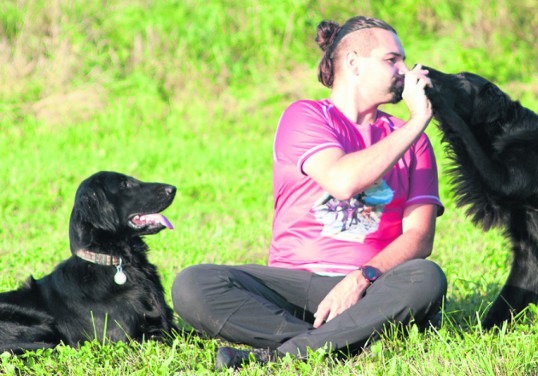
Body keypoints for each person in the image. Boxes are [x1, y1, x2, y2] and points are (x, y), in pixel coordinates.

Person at [171, 15, 447, 370]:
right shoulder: (305, 116)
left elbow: (420, 238)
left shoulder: (414, 142)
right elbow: (342, 180)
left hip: (369, 285)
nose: (404, 70)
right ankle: (343, 339)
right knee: (193, 284)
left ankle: (284, 354)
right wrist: (415, 122)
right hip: (293, 285)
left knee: (426, 278)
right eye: (391, 60)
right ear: (353, 63)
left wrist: (362, 278)